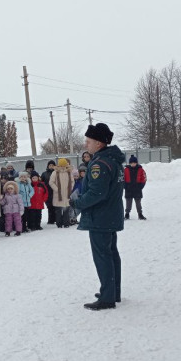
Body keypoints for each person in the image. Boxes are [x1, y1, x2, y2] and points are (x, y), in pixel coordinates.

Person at [74, 123, 125, 311]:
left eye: (88, 141)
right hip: (111, 215)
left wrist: (77, 203)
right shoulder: (114, 161)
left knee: (103, 256)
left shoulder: (99, 164)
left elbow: (97, 193)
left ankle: (107, 297)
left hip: (101, 218)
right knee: (111, 254)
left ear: (99, 143)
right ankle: (113, 291)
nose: (86, 144)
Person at [49, 158, 74, 228]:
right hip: (58, 195)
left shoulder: (69, 172)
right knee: (58, 211)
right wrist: (56, 189)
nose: (63, 167)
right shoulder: (55, 172)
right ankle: (59, 224)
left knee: (66, 210)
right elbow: (51, 182)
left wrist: (70, 188)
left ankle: (66, 223)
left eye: (64, 165)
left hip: (67, 194)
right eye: (61, 165)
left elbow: (72, 181)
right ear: (59, 165)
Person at [124, 155, 147, 220]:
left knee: (138, 203)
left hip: (137, 189)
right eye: (131, 163)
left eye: (134, 163)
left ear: (136, 163)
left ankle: (140, 214)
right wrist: (125, 186)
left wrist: (141, 186)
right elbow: (122, 179)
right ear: (129, 163)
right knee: (128, 204)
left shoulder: (140, 169)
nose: (133, 164)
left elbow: (144, 178)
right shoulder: (126, 170)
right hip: (128, 189)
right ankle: (127, 214)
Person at [41, 161, 56, 225]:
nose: (51, 166)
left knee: (56, 206)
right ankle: (50, 220)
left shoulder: (56, 173)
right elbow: (42, 182)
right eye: (50, 165)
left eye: (52, 165)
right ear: (48, 166)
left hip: (55, 191)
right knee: (49, 206)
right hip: (48, 192)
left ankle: (57, 219)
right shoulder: (44, 173)